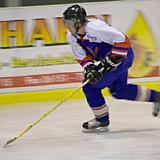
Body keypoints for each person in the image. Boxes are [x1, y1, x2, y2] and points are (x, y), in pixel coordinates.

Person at [63, 4, 160, 132]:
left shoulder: (95, 28)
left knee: (90, 86)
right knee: (119, 91)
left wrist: (113, 59)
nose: (66, 25)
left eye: (69, 22)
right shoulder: (72, 36)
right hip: (109, 59)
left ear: (78, 22)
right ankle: (157, 97)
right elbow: (81, 56)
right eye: (65, 22)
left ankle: (101, 120)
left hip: (122, 56)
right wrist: (90, 68)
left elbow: (122, 39)